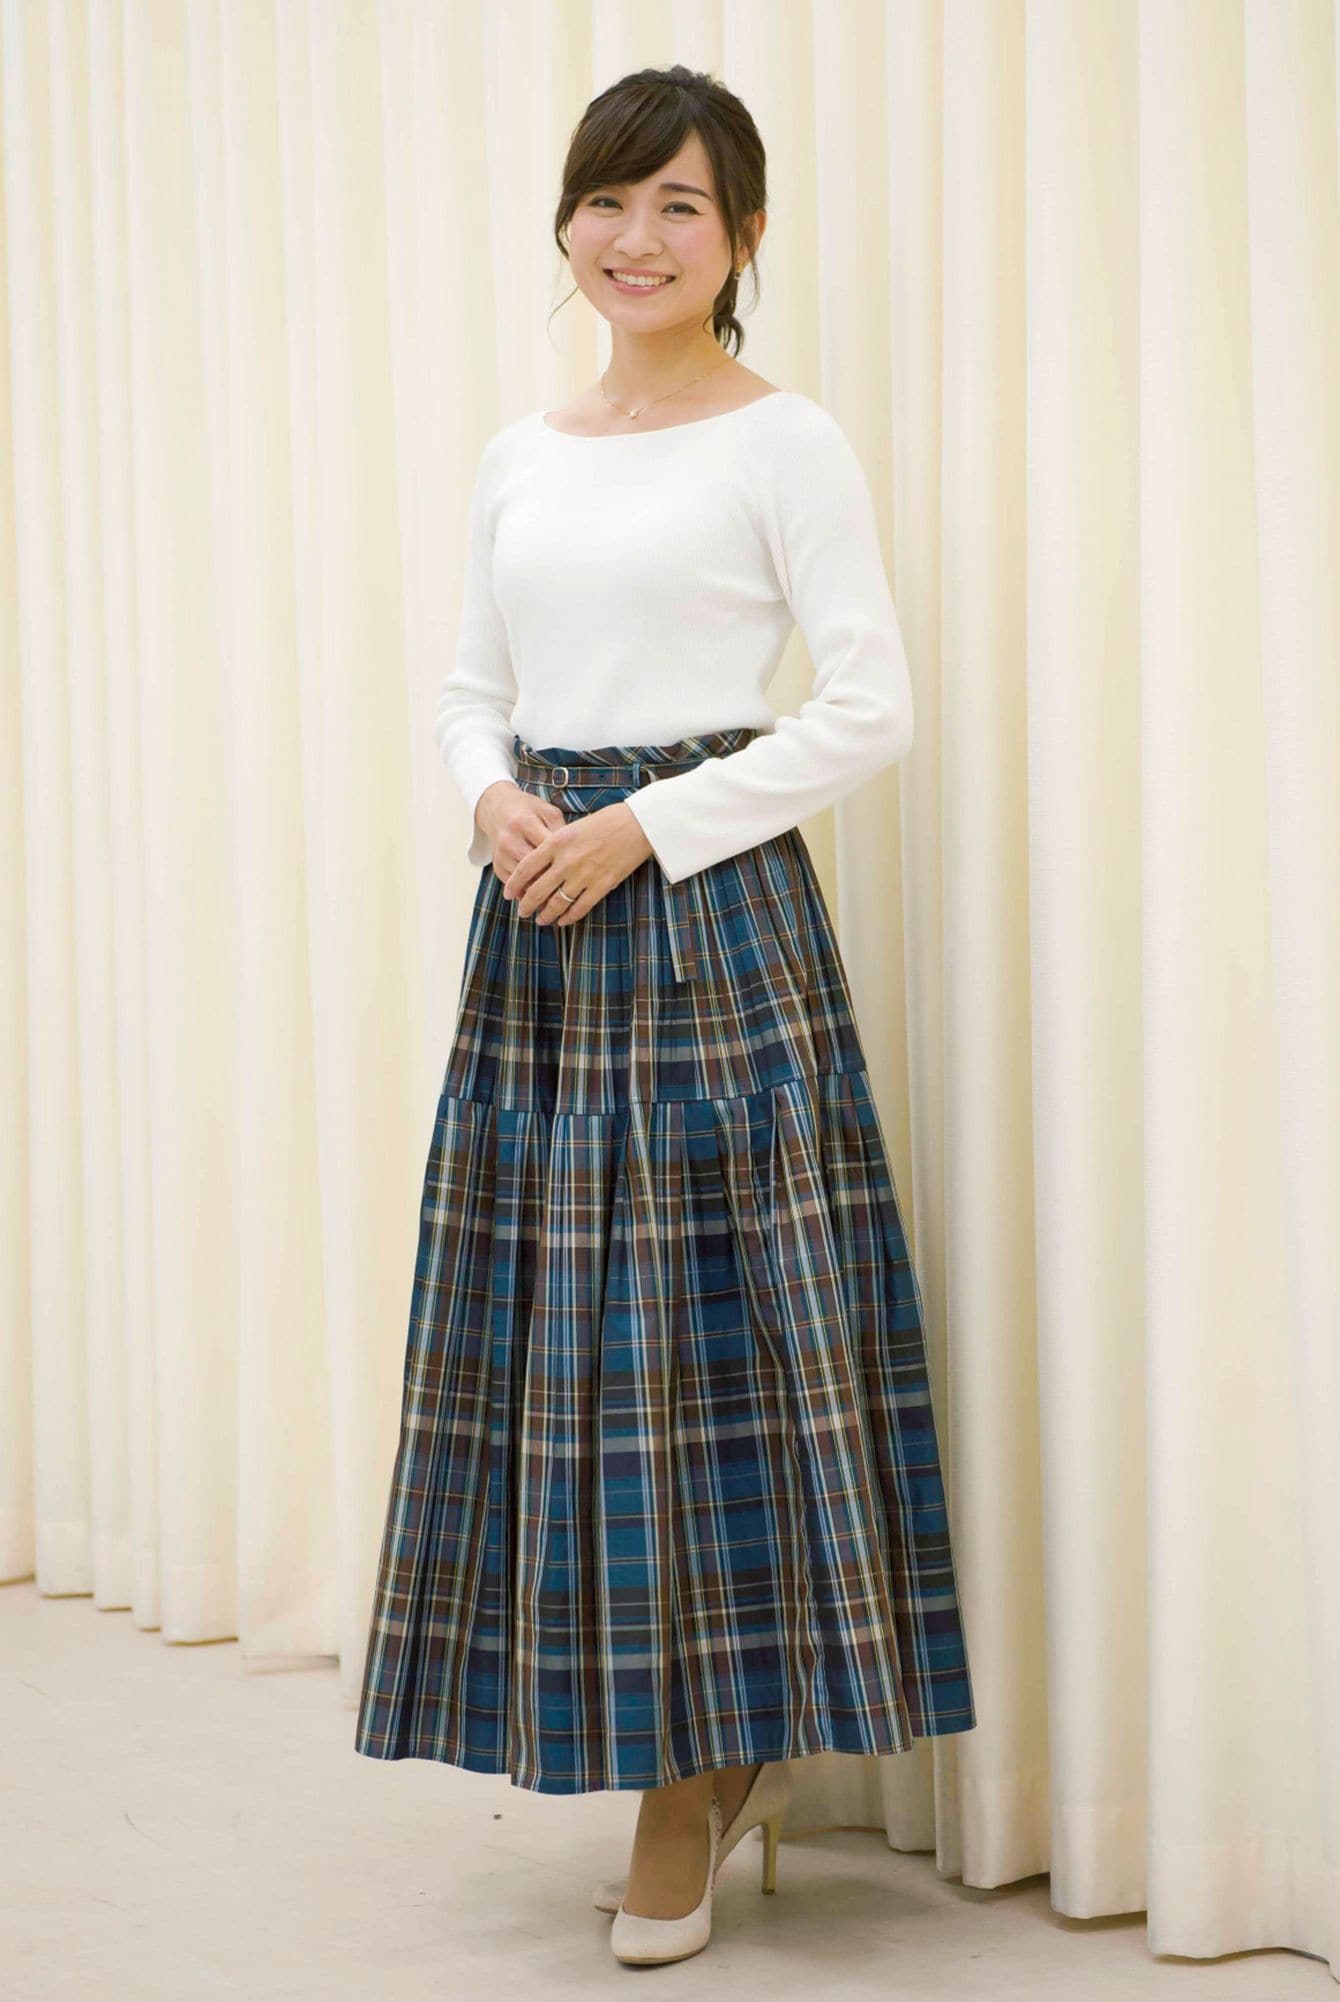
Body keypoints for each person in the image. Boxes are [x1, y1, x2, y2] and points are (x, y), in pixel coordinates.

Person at [354, 61, 976, 1968]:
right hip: (543, 925)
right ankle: (669, 1737)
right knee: (573, 1355)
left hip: (708, 926)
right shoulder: (521, 451)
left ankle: (694, 1784)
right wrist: (494, 795)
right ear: (567, 222)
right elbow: (471, 685)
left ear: (745, 237)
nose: (635, 239)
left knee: (717, 1350)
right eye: (608, 202)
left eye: (680, 206)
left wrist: (647, 824)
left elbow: (869, 704)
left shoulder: (786, 441)